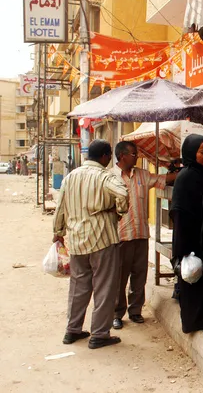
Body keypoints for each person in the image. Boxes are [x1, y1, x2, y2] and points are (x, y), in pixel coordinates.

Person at [53, 139, 129, 349]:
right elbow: (122, 192)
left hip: (76, 239)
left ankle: (72, 329)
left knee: (78, 285)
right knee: (105, 287)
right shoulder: (104, 176)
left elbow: (60, 207)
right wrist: (119, 212)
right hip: (102, 238)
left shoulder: (71, 177)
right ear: (105, 156)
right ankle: (99, 334)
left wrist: (58, 232)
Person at [111, 141, 176, 330]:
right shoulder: (110, 177)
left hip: (140, 234)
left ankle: (135, 311)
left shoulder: (142, 175)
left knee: (139, 275)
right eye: (133, 154)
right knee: (119, 278)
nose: (137, 157)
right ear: (122, 156)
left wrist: (182, 173)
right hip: (120, 236)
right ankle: (117, 313)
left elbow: (163, 180)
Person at [169, 134, 203, 333]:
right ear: (191, 153)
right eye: (202, 152)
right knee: (191, 279)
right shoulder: (185, 177)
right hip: (190, 239)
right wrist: (182, 249)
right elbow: (179, 214)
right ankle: (192, 322)